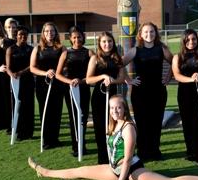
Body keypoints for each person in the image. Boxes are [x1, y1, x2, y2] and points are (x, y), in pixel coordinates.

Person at [28, 95, 198, 180]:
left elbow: (127, 159)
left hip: (130, 171)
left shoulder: (129, 127)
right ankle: (45, 171)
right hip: (114, 169)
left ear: (125, 109)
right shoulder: (112, 125)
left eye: (118, 108)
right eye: (112, 109)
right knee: (80, 169)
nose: (115, 111)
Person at [123, 22, 173, 161]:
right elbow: (119, 64)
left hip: (158, 91)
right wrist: (128, 79)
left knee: (156, 122)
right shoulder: (135, 50)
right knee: (142, 122)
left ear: (156, 33)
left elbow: (175, 62)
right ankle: (142, 153)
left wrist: (168, 77)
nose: (149, 34)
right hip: (140, 92)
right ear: (140, 34)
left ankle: (155, 152)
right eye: (145, 32)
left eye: (151, 31)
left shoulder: (161, 49)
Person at [172, 29, 198, 163]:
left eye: (194, 39)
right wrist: (191, 79)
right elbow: (176, 75)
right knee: (187, 124)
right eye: (188, 39)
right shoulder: (177, 57)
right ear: (183, 41)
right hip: (184, 93)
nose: (191, 42)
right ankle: (190, 152)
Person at [86, 32, 125, 164]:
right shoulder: (95, 59)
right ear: (100, 44)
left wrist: (112, 81)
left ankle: (114, 156)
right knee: (100, 128)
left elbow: (121, 78)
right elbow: (88, 79)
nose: (107, 44)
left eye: (109, 41)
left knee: (113, 127)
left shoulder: (117, 58)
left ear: (113, 43)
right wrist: (103, 76)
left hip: (113, 99)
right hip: (99, 98)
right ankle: (102, 159)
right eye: (104, 42)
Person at [56, 26, 94, 157]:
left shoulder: (89, 53)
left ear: (83, 37)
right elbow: (58, 74)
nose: (77, 39)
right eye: (74, 37)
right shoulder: (66, 53)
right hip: (70, 89)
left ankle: (82, 145)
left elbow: (94, 72)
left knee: (82, 117)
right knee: (73, 118)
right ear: (70, 39)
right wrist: (70, 82)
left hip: (84, 88)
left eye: (79, 37)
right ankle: (76, 147)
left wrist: (82, 81)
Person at [30, 22, 65, 149]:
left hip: (58, 84)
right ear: (43, 33)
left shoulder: (62, 48)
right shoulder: (37, 48)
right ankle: (46, 140)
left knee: (56, 112)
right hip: (42, 84)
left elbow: (65, 65)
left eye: (52, 31)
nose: (49, 33)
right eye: (47, 31)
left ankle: (55, 139)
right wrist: (45, 73)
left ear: (55, 33)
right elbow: (33, 68)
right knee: (45, 111)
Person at [5, 25, 35, 140]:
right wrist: (11, 74)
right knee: (17, 107)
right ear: (16, 36)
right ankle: (19, 132)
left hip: (28, 81)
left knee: (28, 106)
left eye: (25, 35)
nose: (23, 37)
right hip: (15, 81)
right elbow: (8, 67)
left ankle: (29, 132)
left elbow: (32, 66)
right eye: (20, 34)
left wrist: (21, 72)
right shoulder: (10, 49)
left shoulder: (31, 49)